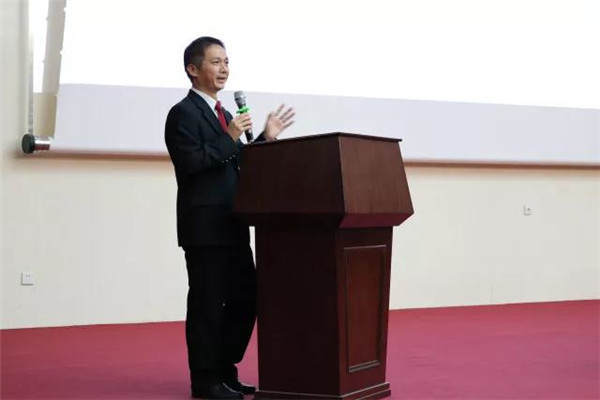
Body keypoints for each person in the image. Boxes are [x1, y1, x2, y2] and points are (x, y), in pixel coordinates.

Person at [164, 36, 294, 399]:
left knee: (246, 299)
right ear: (193, 69)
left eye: (226, 62)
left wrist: (265, 138)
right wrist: (231, 135)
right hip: (205, 228)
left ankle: (225, 370)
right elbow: (192, 163)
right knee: (207, 305)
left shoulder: (223, 115)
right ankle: (205, 380)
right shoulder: (183, 114)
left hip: (234, 223)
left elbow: (238, 163)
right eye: (215, 62)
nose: (224, 69)